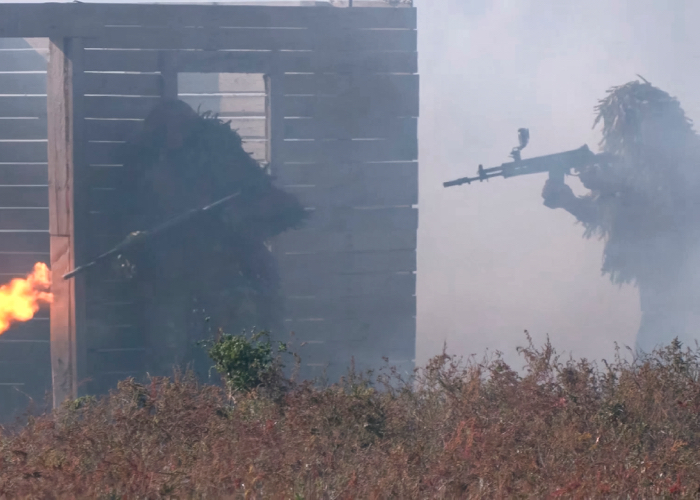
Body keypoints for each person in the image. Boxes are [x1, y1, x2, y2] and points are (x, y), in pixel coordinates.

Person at [116, 99, 307, 378]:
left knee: (242, 340)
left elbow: (266, 202)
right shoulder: (145, 160)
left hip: (222, 264)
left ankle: (248, 404)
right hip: (169, 267)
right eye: (166, 130)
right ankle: (167, 410)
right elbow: (130, 208)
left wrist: (230, 218)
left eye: (179, 128)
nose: (173, 136)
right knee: (166, 348)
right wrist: (136, 238)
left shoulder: (220, 155)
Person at [541, 78, 700, 353]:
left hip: (685, 272)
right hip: (660, 276)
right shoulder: (629, 163)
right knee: (659, 348)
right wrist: (567, 200)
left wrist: (613, 185)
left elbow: (669, 206)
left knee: (662, 347)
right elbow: (617, 218)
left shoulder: (690, 156)